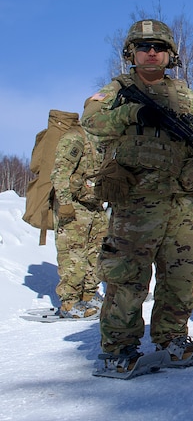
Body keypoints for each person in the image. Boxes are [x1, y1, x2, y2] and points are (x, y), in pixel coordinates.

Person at [83, 19, 193, 372]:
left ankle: (173, 338)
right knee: (128, 276)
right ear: (131, 52)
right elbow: (91, 120)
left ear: (170, 55)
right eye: (144, 47)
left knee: (181, 272)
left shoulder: (182, 93)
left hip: (180, 198)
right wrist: (135, 112)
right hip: (136, 198)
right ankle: (120, 347)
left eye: (159, 48)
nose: (151, 53)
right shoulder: (117, 88)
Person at [50, 101, 108, 318]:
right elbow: (60, 173)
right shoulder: (75, 137)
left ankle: (88, 296)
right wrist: (64, 203)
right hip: (74, 206)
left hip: (94, 205)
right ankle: (69, 302)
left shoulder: (102, 140)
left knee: (96, 252)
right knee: (74, 255)